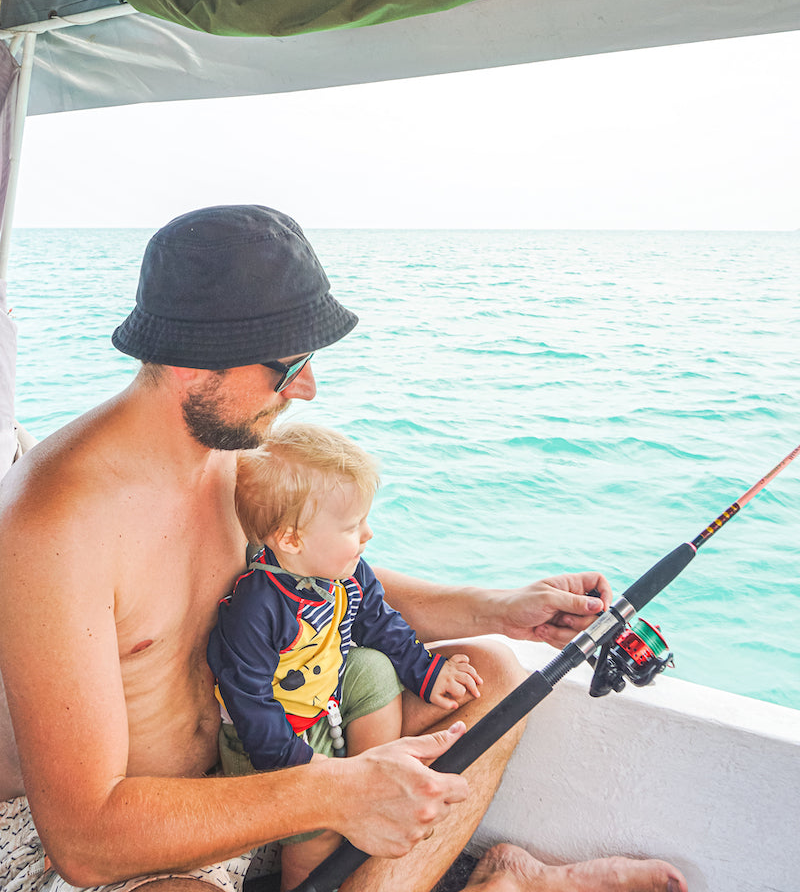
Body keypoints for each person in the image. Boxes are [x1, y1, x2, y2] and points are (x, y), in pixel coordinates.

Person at [0, 204, 687, 892]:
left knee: (494, 676)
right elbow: (86, 838)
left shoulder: (231, 453)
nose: (307, 387)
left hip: (258, 767)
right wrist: (332, 790)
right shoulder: (54, 523)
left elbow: (321, 578)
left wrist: (501, 609)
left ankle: (498, 878)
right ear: (190, 363)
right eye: (288, 365)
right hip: (112, 839)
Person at [209, 422, 483, 890]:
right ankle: (309, 871)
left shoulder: (346, 574)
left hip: (325, 700)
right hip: (274, 744)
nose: (368, 534)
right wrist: (315, 778)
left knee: (373, 666)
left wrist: (427, 670)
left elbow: (381, 622)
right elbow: (249, 701)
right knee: (316, 838)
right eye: (353, 526)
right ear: (291, 540)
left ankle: (371, 777)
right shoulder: (257, 606)